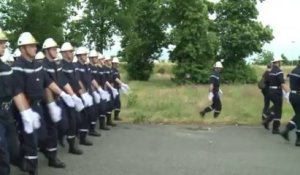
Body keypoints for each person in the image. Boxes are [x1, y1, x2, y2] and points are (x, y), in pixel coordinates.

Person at [12, 32, 75, 175]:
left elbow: (48, 82)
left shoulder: (37, 65)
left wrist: (63, 94)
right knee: (31, 139)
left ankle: (21, 157)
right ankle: (31, 168)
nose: (35, 48)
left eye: (35, 45)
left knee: (42, 137)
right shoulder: (17, 66)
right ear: (22, 49)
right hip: (24, 108)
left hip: (36, 106)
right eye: (32, 46)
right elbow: (18, 92)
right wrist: (25, 112)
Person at [0, 29, 20, 175]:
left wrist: (25, 112)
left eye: (4, 43)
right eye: (0, 43)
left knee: (14, 150)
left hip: (8, 114)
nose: (4, 46)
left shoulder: (7, 68)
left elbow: (15, 92)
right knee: (3, 155)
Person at [262, 57, 289, 134]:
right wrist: (288, 92)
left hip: (270, 91)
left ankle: (268, 117)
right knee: (278, 110)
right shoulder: (279, 71)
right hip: (277, 92)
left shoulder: (271, 71)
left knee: (275, 107)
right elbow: (282, 83)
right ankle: (275, 127)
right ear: (277, 62)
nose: (281, 63)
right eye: (280, 61)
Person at [280, 59, 300, 146]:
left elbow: (286, 77)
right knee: (299, 116)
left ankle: (287, 130)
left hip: (292, 95)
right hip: (298, 95)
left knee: (298, 116)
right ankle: (297, 139)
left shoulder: (294, 70)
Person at [111, 57, 130, 121]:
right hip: (113, 89)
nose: (117, 64)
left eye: (117, 63)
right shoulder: (112, 70)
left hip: (117, 88)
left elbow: (118, 78)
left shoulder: (116, 70)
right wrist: (122, 84)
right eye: (116, 63)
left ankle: (116, 116)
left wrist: (121, 86)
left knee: (118, 103)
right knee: (114, 103)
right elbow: (115, 78)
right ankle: (111, 117)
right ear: (113, 63)